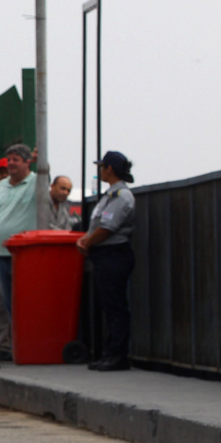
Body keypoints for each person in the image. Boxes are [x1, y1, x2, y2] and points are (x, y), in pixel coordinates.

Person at [77, 151, 136, 371]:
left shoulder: (121, 195)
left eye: (102, 167)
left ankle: (117, 355)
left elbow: (107, 228)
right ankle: (110, 353)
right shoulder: (111, 194)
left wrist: (87, 242)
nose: (100, 170)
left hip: (114, 254)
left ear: (109, 169)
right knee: (109, 305)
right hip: (106, 255)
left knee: (115, 306)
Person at [0, 143, 36, 359]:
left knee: (25, 303)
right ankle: (5, 346)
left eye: (16, 159)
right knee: (2, 304)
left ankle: (25, 345)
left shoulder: (37, 183)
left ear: (28, 162)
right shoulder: (1, 186)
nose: (11, 164)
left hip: (25, 258)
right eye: (9, 159)